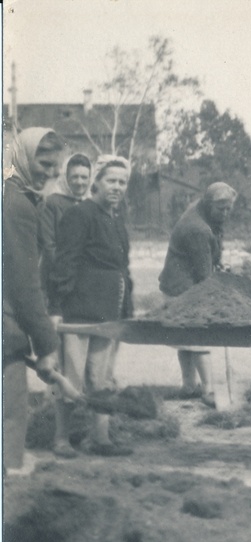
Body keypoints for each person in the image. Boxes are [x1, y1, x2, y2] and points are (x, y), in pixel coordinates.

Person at [52, 155, 135, 457]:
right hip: (78, 313)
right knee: (71, 376)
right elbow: (65, 262)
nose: (117, 187)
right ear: (96, 183)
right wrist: (57, 307)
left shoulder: (115, 221)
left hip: (108, 313)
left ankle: (99, 439)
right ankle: (61, 438)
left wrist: (126, 308)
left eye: (122, 182)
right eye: (111, 181)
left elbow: (122, 269)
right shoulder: (80, 214)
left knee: (101, 379)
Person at [2, 128, 63, 476]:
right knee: (9, 423)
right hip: (5, 333)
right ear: (22, 157)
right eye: (44, 163)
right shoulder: (16, 205)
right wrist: (46, 346)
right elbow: (26, 287)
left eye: (56, 166)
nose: (51, 173)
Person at [159, 182, 238, 406]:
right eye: (220, 209)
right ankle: (208, 391)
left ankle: (188, 386)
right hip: (182, 286)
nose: (225, 214)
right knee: (196, 335)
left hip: (182, 280)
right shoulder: (197, 229)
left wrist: (219, 263)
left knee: (185, 337)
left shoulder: (204, 213)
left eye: (228, 209)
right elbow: (205, 277)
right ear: (208, 204)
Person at [39, 152, 93, 458]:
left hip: (85, 296)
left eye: (85, 178)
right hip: (60, 290)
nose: (80, 182)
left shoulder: (90, 207)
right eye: (75, 177)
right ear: (66, 178)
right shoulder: (53, 205)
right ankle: (61, 436)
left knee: (84, 368)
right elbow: (51, 247)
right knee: (61, 364)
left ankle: (83, 432)